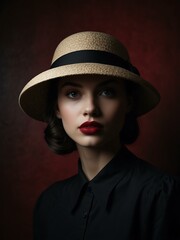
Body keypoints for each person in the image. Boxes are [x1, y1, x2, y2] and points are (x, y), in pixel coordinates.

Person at [19, 31, 180, 240]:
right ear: (56, 107)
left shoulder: (162, 196)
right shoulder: (48, 204)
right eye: (73, 93)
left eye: (107, 92)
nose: (90, 109)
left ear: (128, 102)